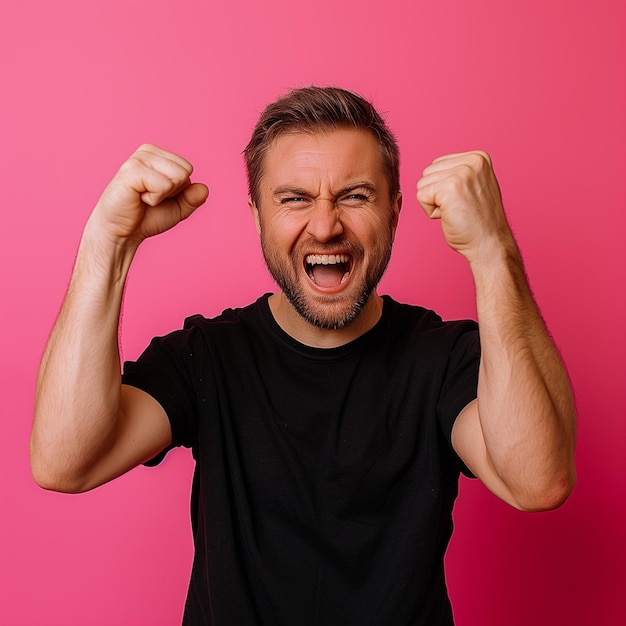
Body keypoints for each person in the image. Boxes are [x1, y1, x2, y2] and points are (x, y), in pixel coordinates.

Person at [31, 86, 576, 625]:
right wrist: (108, 243)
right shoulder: (207, 357)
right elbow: (64, 462)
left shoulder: (445, 358)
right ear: (257, 215)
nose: (324, 226)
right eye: (294, 199)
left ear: (394, 210)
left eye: (355, 196)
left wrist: (492, 249)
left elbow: (537, 481)